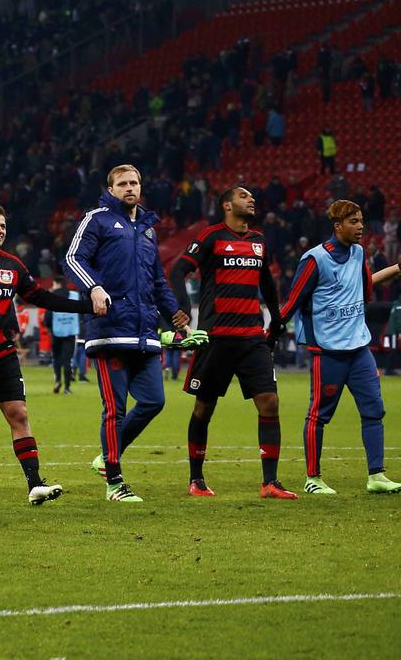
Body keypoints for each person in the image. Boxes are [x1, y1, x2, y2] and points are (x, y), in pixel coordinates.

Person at [64, 164, 190, 502]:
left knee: (153, 401)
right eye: (123, 183)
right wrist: (93, 287)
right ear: (111, 188)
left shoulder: (148, 229)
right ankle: (115, 483)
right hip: (110, 332)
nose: (130, 188)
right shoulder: (98, 219)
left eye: (135, 182)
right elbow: (74, 257)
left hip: (144, 332)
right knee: (114, 409)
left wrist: (176, 316)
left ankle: (108, 456)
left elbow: (158, 280)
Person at [0, 203, 90, 506]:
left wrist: (86, 306)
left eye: (2, 226)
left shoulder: (12, 266)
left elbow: (41, 297)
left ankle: (34, 484)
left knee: (19, 414)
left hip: (1, 354)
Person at [169, 187, 297, 499]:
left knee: (270, 402)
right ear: (227, 205)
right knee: (204, 408)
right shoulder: (211, 236)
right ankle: (196, 480)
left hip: (252, 338)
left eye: (252, 196)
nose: (250, 199)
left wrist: (277, 318)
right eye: (243, 196)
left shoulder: (259, 241)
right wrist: (184, 307)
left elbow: (266, 281)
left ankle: (270, 483)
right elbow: (178, 270)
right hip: (216, 338)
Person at [279, 200, 401, 495]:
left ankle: (376, 476)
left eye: (361, 221)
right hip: (328, 351)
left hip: (359, 349)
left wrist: (397, 268)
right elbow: (293, 300)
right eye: (354, 222)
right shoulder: (314, 259)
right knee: (318, 415)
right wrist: (271, 332)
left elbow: (364, 290)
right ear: (338, 226)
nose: (361, 227)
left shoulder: (359, 254)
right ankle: (313, 478)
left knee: (374, 410)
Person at [45, 276, 81, 395]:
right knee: (67, 360)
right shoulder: (75, 296)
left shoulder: (52, 296)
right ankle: (67, 387)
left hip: (56, 331)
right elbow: (80, 313)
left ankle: (57, 380)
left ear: (56, 283)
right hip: (71, 331)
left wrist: (49, 327)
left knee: (56, 358)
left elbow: (48, 316)